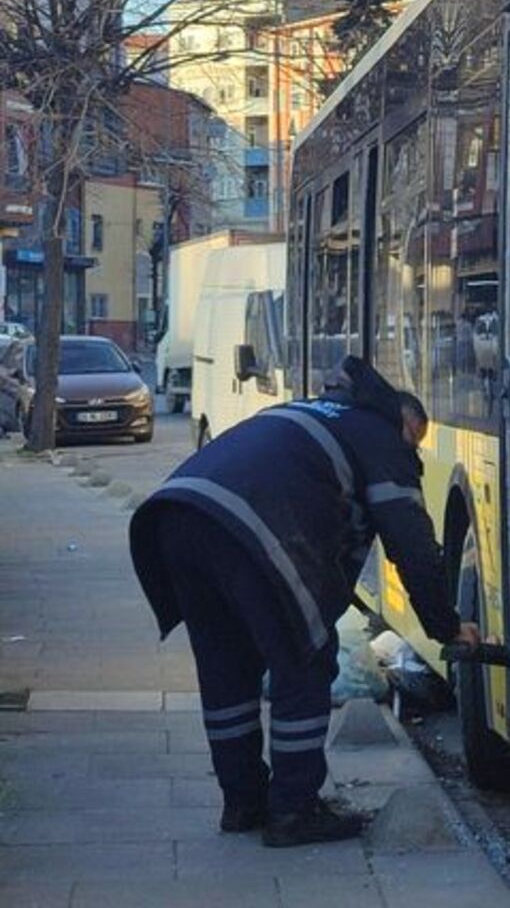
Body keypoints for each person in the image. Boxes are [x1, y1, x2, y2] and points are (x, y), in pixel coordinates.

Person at [129, 355, 480, 847]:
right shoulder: (380, 436)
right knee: (304, 656)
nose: (413, 453)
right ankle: (294, 810)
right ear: (403, 421)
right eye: (415, 441)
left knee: (226, 667)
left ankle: (243, 802)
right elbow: (413, 546)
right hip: (243, 528)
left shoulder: (311, 412)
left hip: (174, 518)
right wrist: (447, 626)